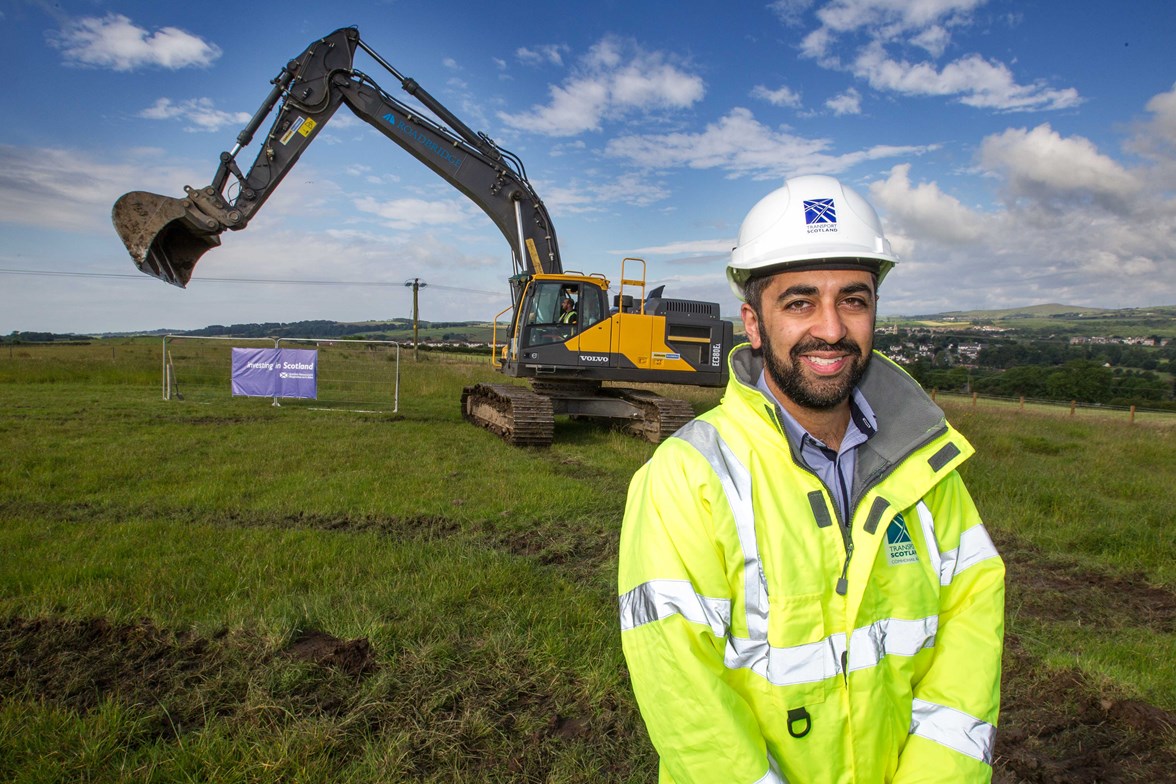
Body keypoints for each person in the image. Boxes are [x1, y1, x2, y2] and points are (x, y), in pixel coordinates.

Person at [618, 174, 1005, 784]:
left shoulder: (928, 467)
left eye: (853, 300)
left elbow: (970, 643)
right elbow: (686, 701)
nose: (830, 328)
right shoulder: (686, 477)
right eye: (799, 302)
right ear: (753, 322)